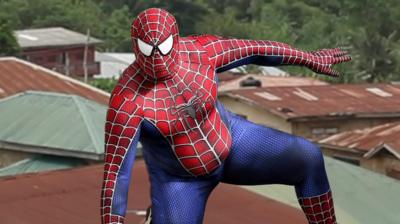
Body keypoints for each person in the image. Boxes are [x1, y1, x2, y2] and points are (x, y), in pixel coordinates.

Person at [101, 8, 351, 224]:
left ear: (175, 40)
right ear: (135, 46)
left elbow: (255, 49)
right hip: (179, 180)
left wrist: (309, 58)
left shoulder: (200, 52)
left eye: (163, 47)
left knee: (308, 158)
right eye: (148, 49)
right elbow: (116, 173)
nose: (157, 56)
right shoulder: (126, 101)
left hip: (232, 141)